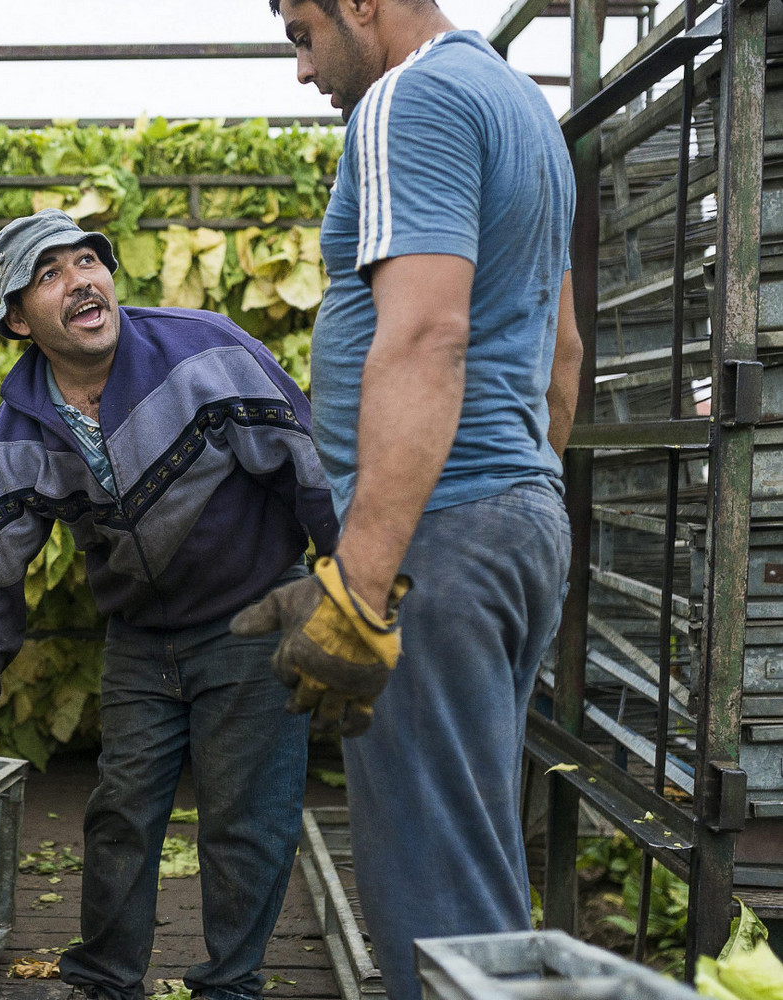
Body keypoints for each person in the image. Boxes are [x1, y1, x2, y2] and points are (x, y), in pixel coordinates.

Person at [233, 1, 583, 996]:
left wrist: (365, 581)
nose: (302, 67)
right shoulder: (522, 109)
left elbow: (427, 334)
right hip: (512, 518)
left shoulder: (405, 100)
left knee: (436, 903)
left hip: (439, 537)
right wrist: (513, 505)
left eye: (303, 31)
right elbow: (562, 358)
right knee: (477, 855)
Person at [0, 208, 340, 1000]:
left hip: (254, 616)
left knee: (247, 821)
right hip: (141, 639)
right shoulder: (21, 429)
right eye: (49, 275)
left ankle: (230, 986)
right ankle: (104, 981)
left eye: (86, 262)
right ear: (17, 320)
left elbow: (308, 465)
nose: (80, 281)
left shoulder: (203, 351)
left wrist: (351, 589)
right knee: (119, 819)